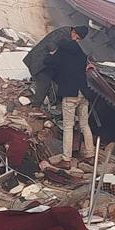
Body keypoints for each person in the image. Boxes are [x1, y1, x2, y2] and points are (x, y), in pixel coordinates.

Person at [45, 26, 95, 168]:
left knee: (68, 126)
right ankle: (90, 155)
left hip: (70, 93)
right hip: (83, 94)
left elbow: (50, 63)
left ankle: (66, 159)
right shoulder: (81, 54)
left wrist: (51, 53)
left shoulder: (63, 48)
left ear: (73, 33)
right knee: (85, 125)